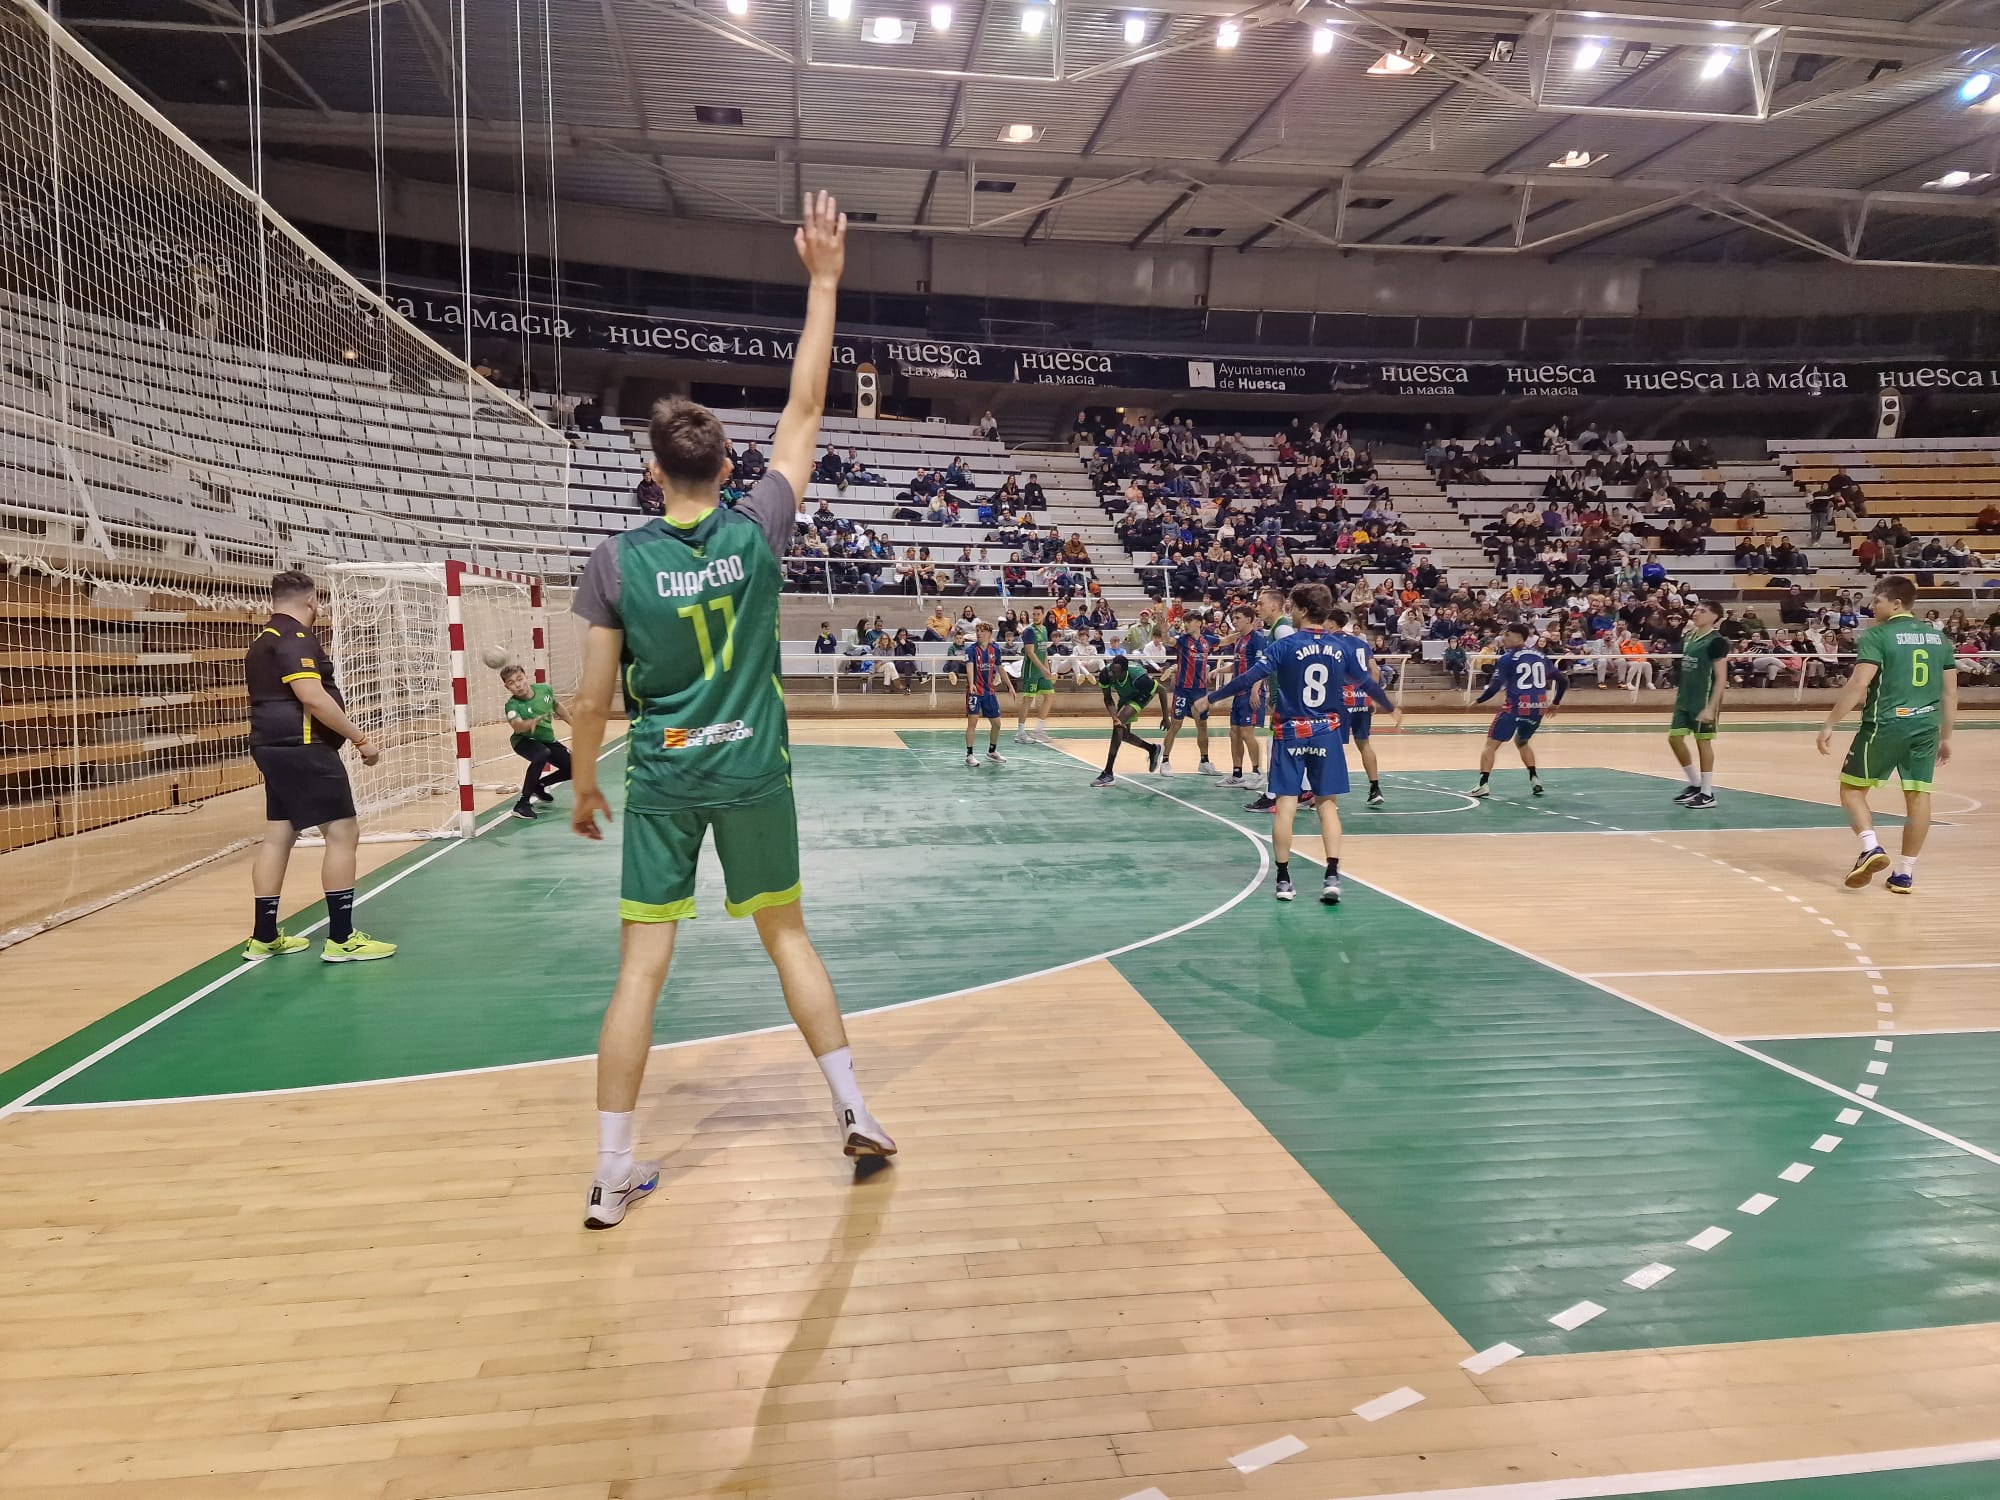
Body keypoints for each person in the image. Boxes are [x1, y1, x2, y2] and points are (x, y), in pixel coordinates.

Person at [565, 192, 893, 1232]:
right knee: (788, 936)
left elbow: (590, 695)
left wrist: (578, 780)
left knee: (640, 970)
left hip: (662, 776)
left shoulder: (615, 560)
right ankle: (855, 1113)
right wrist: (825, 279)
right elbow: (803, 410)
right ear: (729, 470)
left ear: (652, 472)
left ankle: (613, 1175)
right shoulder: (759, 532)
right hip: (754, 769)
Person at [1196, 583, 1397, 904]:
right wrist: (1389, 706)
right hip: (1328, 733)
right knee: (1327, 806)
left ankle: (1284, 880)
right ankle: (1332, 876)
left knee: (1286, 807)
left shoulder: (1285, 646)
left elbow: (1247, 678)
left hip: (1290, 732)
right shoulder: (1341, 647)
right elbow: (1365, 681)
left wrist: (1212, 697)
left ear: (1301, 610)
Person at [241, 570, 396, 964]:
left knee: (279, 834)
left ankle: (264, 936)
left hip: (270, 746)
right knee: (343, 832)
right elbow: (312, 698)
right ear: (311, 602)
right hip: (304, 747)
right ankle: (342, 939)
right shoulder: (295, 638)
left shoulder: (262, 640)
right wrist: (361, 739)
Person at [1817, 575, 1956, 894]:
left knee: (1851, 789)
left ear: (1896, 603)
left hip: (1886, 724)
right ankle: (1905, 873)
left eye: (1876, 599)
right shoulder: (1939, 638)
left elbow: (1859, 684)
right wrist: (1946, 736)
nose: (1871, 604)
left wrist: (1830, 723)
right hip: (1926, 726)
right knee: (1919, 796)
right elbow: (1950, 693)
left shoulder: (1878, 635)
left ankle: (1871, 847)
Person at [1472, 624, 1566, 798]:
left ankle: (1483, 784)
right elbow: (1563, 680)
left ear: (1519, 636)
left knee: (1490, 746)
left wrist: (1479, 700)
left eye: (1507, 634)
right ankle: (1534, 779)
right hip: (1537, 708)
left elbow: (1495, 686)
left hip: (1515, 707)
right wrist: (1556, 702)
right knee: (1522, 742)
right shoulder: (1540, 656)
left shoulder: (1508, 658)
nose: (1504, 638)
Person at [1667, 601, 1729, 810]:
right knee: (1674, 739)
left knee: (1703, 743)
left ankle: (1707, 792)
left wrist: (1711, 707)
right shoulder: (1690, 636)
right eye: (1696, 610)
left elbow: (1721, 678)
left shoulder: (1716, 641)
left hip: (1704, 700)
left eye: (1703, 611)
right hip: (1685, 698)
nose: (1696, 613)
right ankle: (1694, 784)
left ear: (1715, 617)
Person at [1330, 606, 1387, 807]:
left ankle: (1329, 796)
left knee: (1333, 747)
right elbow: (1375, 671)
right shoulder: (1361, 643)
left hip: (1342, 700)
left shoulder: (1332, 642)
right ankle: (1375, 788)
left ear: (1332, 623)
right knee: (1364, 743)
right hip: (1362, 699)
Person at [500, 664, 572, 820]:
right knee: (541, 754)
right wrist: (528, 724)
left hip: (547, 740)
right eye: (512, 683)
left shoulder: (544, 689)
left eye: (519, 679)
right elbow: (517, 726)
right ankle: (522, 804)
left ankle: (539, 786)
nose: (518, 685)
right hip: (524, 740)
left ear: (526, 677)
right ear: (507, 687)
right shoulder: (512, 705)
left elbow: (556, 705)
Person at [1158, 609, 1220, 777]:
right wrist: (1163, 630)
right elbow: (1167, 640)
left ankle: (1204, 762)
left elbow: (1225, 640)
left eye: (1189, 621)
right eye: (1184, 621)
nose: (1185, 625)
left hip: (1200, 691)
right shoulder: (1182, 641)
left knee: (1202, 726)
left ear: (1199, 623)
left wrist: (1243, 632)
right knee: (1175, 726)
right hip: (1182, 690)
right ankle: (1164, 761)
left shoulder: (1207, 640)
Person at [1214, 602, 1266, 790]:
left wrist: (1255, 690)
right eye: (1233, 618)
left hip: (1251, 692)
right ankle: (1237, 774)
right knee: (1234, 733)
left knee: (1246, 733)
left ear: (1249, 620)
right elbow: (1239, 665)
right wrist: (1220, 670)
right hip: (1239, 692)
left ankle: (1258, 772)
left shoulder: (1257, 639)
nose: (1234, 621)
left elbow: (1262, 667)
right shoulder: (1240, 640)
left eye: (1238, 618)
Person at [962, 619, 1019, 767]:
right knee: (972, 722)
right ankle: (969, 755)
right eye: (977, 631)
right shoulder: (971, 650)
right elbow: (969, 667)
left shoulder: (995, 650)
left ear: (989, 633)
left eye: (982, 631)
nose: (979, 633)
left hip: (989, 692)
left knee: (997, 724)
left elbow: (1000, 668)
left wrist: (1010, 686)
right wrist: (971, 684)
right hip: (975, 691)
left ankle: (992, 752)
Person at [1013, 603, 1057, 745]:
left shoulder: (1044, 629)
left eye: (1038, 614)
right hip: (1031, 671)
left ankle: (1038, 730)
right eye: (1034, 614)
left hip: (1041, 671)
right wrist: (1043, 670)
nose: (1036, 616)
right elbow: (1030, 653)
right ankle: (1020, 733)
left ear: (1043, 615)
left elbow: (1043, 652)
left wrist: (1047, 670)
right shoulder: (1029, 631)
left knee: (1049, 696)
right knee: (1027, 700)